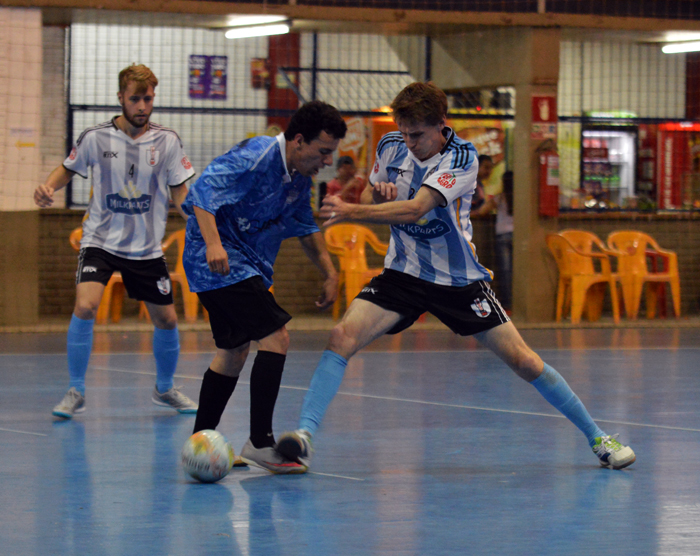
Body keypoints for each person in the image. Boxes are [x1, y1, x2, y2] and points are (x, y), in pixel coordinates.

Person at [276, 82, 635, 472]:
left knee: (525, 362)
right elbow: (371, 200)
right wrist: (374, 197)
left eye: (418, 135)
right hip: (404, 273)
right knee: (341, 336)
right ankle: (305, 437)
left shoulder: (462, 158)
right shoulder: (390, 146)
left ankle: (598, 437)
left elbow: (414, 209)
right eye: (405, 132)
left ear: (440, 126)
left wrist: (350, 211)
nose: (409, 142)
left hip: (459, 282)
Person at [182, 100, 346, 474]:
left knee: (233, 351)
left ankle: (199, 443)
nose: (326, 162)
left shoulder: (299, 179)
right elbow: (203, 193)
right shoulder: (255, 156)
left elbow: (305, 227)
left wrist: (330, 272)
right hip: (219, 265)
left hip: (244, 267)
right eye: (323, 152)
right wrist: (212, 244)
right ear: (298, 141)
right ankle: (260, 441)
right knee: (276, 336)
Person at [34, 64, 199, 419]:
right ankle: (76, 389)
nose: (142, 106)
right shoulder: (96, 137)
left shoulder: (167, 141)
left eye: (148, 98)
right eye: (135, 98)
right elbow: (68, 167)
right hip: (101, 242)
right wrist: (49, 186)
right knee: (85, 306)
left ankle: (165, 388)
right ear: (121, 98)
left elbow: (180, 193)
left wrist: (201, 220)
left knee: (168, 321)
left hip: (146, 249)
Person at [473, 170, 514, 311]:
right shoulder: (522, 200)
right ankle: (517, 302)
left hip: (502, 235)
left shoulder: (500, 198)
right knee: (517, 271)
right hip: (517, 236)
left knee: (505, 271)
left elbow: (482, 211)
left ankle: (507, 304)